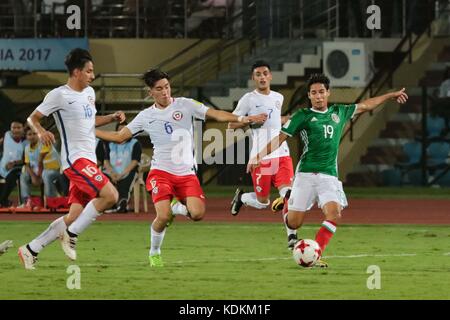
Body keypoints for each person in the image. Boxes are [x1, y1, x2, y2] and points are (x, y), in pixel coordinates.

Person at [96, 68, 267, 267]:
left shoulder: (185, 105)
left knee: (197, 214)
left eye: (167, 87)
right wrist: (93, 132)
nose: (165, 92)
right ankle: (155, 252)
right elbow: (119, 137)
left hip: (186, 174)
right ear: (150, 92)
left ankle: (177, 206)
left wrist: (241, 119)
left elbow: (215, 114)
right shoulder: (146, 116)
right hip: (160, 173)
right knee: (163, 216)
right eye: (159, 89)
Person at [248, 73, 409, 268]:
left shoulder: (339, 112)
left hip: (329, 176)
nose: (318, 96)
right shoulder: (303, 116)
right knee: (293, 223)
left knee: (334, 214)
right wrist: (258, 156)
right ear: (309, 95)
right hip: (305, 175)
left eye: (321, 92)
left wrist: (390, 95)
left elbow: (367, 105)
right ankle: (288, 201)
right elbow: (279, 138)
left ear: (328, 93)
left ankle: (316, 254)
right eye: (314, 93)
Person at [18, 48, 125, 270]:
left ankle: (30, 249)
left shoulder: (89, 93)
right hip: (75, 161)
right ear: (76, 72)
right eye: (89, 71)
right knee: (111, 195)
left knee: (75, 213)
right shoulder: (59, 95)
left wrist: (112, 117)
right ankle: (71, 235)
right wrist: (40, 131)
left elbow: (90, 121)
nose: (92, 76)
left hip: (89, 160)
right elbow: (33, 117)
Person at [228, 60, 298, 249]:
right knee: (262, 202)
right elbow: (231, 124)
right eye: (258, 74)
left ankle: (292, 236)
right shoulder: (248, 99)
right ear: (253, 78)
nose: (262, 77)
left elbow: (275, 120)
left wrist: (287, 119)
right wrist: (251, 119)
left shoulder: (279, 97)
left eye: (265, 73)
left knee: (288, 195)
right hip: (261, 158)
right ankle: (241, 198)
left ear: (270, 76)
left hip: (282, 154)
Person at [103, 121, 142, 213]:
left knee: (126, 182)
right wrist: (112, 174)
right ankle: (110, 205)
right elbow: (106, 161)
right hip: (112, 172)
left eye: (124, 130)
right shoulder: (110, 144)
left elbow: (135, 161)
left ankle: (122, 204)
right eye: (119, 130)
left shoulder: (135, 143)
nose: (121, 133)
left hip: (128, 171)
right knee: (103, 179)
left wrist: (121, 174)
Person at [19, 126, 61, 206]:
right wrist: (33, 176)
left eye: (34, 134)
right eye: (29, 134)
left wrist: (37, 176)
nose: (32, 136)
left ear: (39, 134)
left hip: (54, 170)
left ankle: (50, 202)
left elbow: (40, 161)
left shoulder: (45, 142)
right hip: (40, 171)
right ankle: (27, 201)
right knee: (23, 176)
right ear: (26, 136)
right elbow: (27, 165)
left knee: (46, 175)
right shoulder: (27, 148)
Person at [0, 119, 25, 207]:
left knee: (11, 177)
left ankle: (3, 201)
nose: (16, 130)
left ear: (23, 128)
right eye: (13, 127)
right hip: (2, 167)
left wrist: (14, 163)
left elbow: (26, 159)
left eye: (18, 127)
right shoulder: (6, 135)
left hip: (17, 168)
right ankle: (4, 201)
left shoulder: (26, 142)